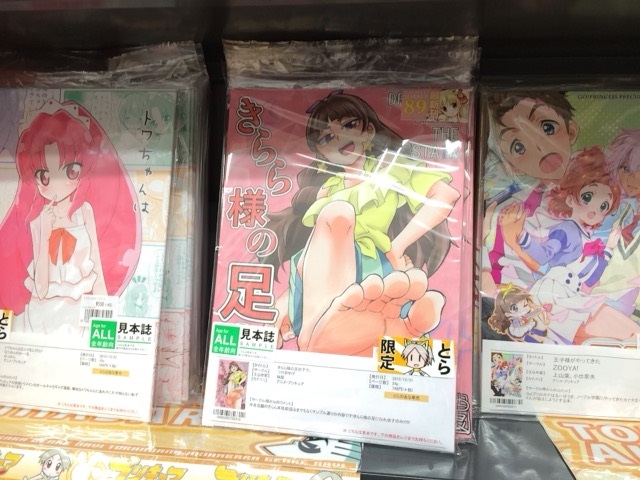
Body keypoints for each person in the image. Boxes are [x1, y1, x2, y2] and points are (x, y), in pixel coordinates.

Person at [263, 92, 460, 356]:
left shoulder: (391, 168)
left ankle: (334, 334)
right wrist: (284, 301)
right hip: (317, 281)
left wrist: (398, 246)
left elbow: (445, 195)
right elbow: (314, 253)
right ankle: (320, 332)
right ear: (321, 153)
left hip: (373, 272)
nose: (340, 138)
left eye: (349, 125)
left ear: (368, 131)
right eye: (327, 138)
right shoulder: (329, 190)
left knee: (339, 214)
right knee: (338, 213)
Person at [0, 100, 141, 336]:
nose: (57, 184)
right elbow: (41, 289)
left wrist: (108, 317)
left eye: (69, 171)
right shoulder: (37, 222)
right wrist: (45, 235)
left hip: (79, 317)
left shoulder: (84, 212)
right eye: (44, 176)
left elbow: (97, 267)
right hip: (40, 319)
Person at [499, 146, 640, 344]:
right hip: (554, 295)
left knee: (630, 334)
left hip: (575, 296)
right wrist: (521, 237)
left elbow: (592, 277)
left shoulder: (588, 237)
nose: (594, 210)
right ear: (570, 199)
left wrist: (608, 248)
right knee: (627, 335)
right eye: (587, 197)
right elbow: (544, 255)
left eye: (603, 206)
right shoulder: (566, 229)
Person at [488, 283, 554, 343]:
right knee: (525, 334)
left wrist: (540, 309)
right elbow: (517, 324)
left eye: (524, 301)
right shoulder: (515, 320)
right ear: (507, 314)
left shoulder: (524, 312)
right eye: (515, 307)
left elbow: (530, 314)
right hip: (518, 330)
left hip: (524, 323)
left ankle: (540, 333)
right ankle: (533, 339)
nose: (522, 303)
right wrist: (522, 322)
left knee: (529, 325)